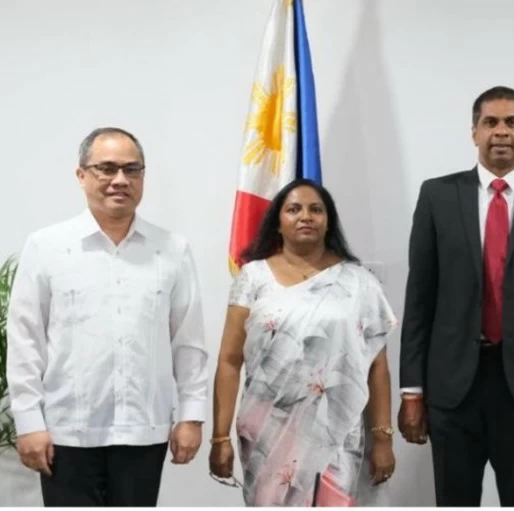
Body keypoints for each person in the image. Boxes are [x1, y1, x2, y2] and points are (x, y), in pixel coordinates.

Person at [398, 86, 514, 506]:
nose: (501, 131)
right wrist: (412, 391)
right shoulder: (437, 196)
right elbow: (419, 300)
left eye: (512, 122)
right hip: (451, 387)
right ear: (474, 132)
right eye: (491, 122)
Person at [5, 127, 208, 506]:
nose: (120, 180)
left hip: (144, 432)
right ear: (81, 175)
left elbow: (188, 342)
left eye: (132, 169)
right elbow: (25, 341)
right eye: (107, 168)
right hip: (66, 432)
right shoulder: (47, 247)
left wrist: (192, 416)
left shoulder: (172, 250)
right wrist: (29, 422)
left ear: (143, 176)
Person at [207, 179, 397, 506]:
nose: (305, 216)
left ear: (328, 221)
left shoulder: (359, 282)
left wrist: (383, 438)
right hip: (266, 432)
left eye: (316, 210)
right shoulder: (253, 278)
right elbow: (229, 360)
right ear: (277, 223)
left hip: (335, 437)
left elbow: (377, 366)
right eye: (294, 209)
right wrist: (219, 436)